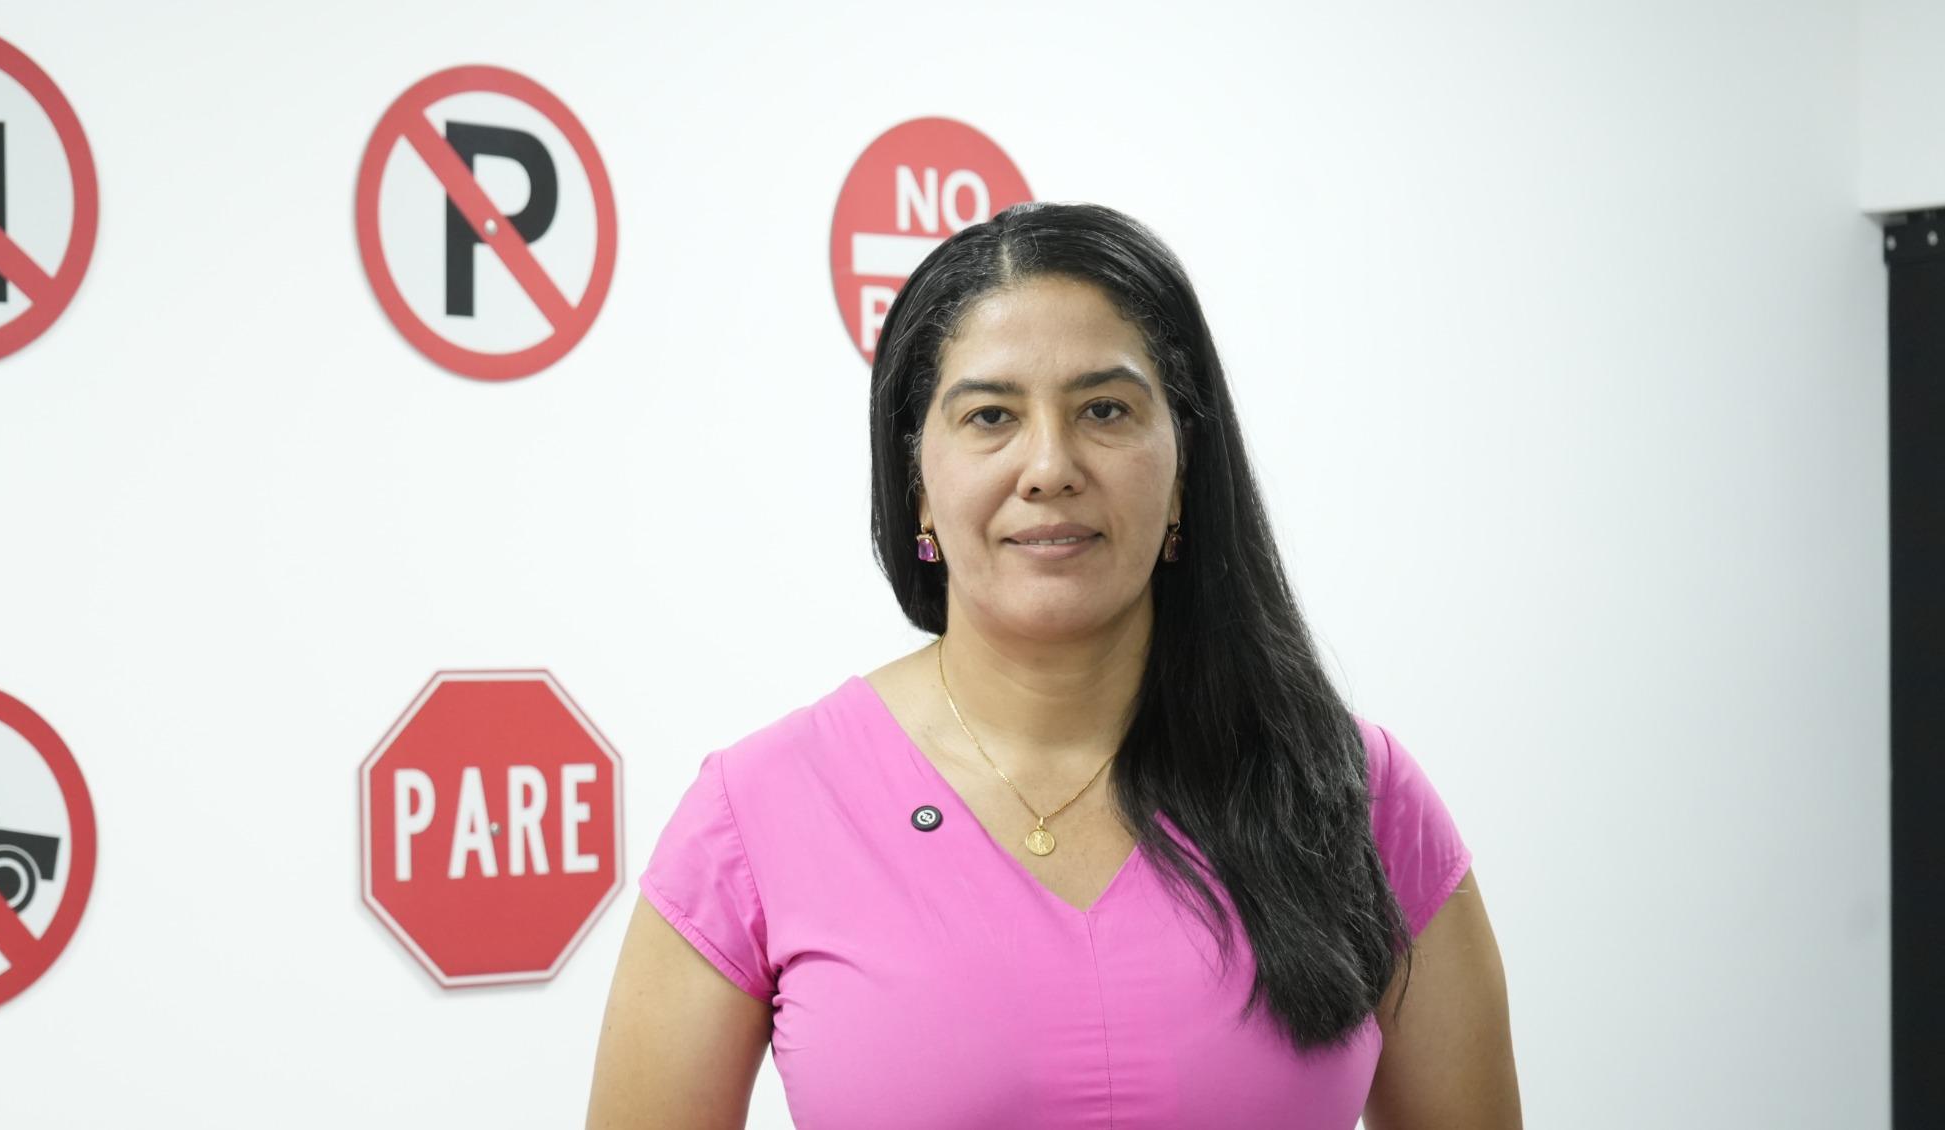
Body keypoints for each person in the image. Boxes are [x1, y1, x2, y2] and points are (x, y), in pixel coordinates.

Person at [585, 203, 1520, 1128]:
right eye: (990, 416)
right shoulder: (759, 810)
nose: (1049, 466)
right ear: (917, 481)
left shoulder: (1355, 793)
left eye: (1104, 410)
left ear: (1185, 466)